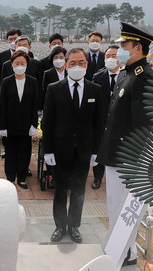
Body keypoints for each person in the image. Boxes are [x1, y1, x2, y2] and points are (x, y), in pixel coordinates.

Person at [97, 22, 153, 265]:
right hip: (113, 150)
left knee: (125, 206)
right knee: (114, 204)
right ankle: (122, 247)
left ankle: (125, 251)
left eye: (124, 44)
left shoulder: (144, 77)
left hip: (128, 155)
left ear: (138, 48)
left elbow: (142, 123)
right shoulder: (126, 73)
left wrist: (138, 158)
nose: (120, 49)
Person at [42, 48, 104, 244]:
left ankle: (74, 226)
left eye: (82, 63)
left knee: (78, 190)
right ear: (66, 64)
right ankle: (60, 226)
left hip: (84, 150)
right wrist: (48, 150)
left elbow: (99, 123)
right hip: (60, 149)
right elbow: (48, 121)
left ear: (87, 65)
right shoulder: (54, 88)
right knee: (60, 189)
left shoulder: (95, 89)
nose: (77, 67)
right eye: (73, 63)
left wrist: (96, 151)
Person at [0, 51, 39, 189]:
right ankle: (10, 178)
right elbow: (3, 105)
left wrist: (34, 124)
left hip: (26, 125)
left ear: (27, 64)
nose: (19, 65)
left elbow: (34, 105)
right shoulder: (6, 81)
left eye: (22, 63)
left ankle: (21, 178)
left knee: (24, 153)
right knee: (10, 153)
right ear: (12, 64)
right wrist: (2, 126)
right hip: (10, 125)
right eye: (17, 63)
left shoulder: (33, 82)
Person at [91, 45, 120, 191]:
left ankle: (116, 179)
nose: (110, 59)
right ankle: (97, 178)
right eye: (108, 56)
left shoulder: (126, 76)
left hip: (119, 122)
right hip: (101, 120)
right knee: (99, 149)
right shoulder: (98, 77)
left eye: (114, 56)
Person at [0, 36, 44, 102]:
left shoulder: (37, 64)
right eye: (19, 45)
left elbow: (39, 86)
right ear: (15, 47)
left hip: (30, 101)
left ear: (29, 48)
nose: (22, 47)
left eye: (25, 45)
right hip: (11, 101)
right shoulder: (7, 65)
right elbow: (3, 87)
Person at [0, 27, 22, 99]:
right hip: (7, 91)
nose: (12, 41)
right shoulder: (2, 56)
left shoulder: (28, 54)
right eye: (10, 39)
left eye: (15, 39)